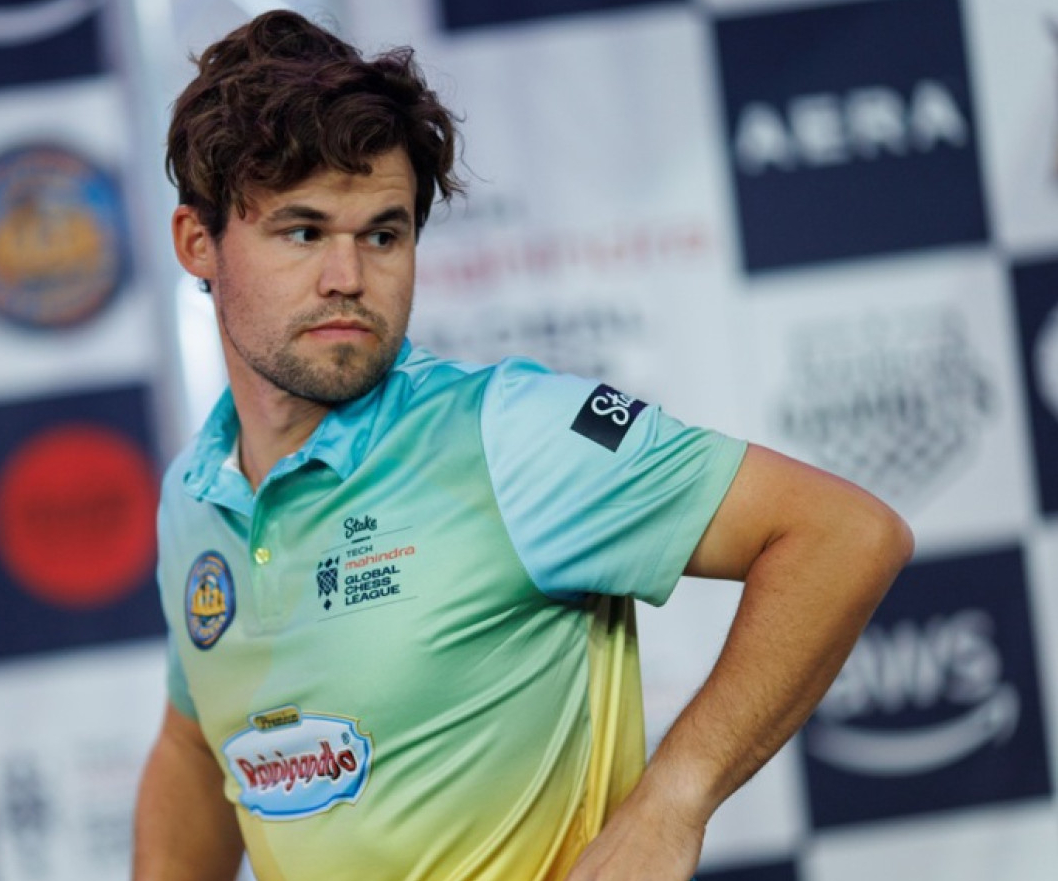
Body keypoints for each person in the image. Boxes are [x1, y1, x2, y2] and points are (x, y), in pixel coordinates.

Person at [133, 11, 913, 881]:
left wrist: (672, 800)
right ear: (197, 243)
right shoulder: (194, 494)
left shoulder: (509, 432)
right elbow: (198, 741)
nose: (347, 278)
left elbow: (842, 534)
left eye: (382, 235)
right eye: (303, 232)